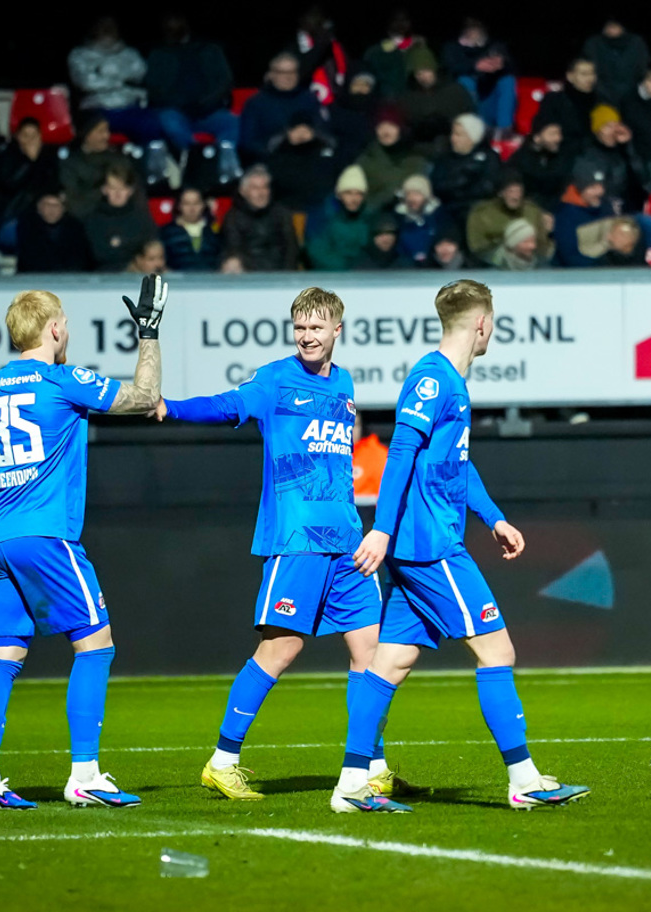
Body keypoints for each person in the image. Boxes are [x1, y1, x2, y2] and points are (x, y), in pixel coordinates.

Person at [153, 288, 422, 801]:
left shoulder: (344, 383)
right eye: (300, 327)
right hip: (297, 540)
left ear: (337, 330)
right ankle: (222, 761)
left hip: (349, 544)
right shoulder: (275, 379)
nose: (307, 336)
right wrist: (172, 407)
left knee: (372, 655)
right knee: (281, 648)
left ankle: (371, 768)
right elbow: (228, 405)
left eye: (316, 327)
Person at [334, 279, 590, 812]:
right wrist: (381, 528)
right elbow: (400, 452)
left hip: (420, 543)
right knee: (498, 651)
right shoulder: (434, 380)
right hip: (431, 546)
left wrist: (493, 518)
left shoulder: (450, 381)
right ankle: (524, 780)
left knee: (389, 664)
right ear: (482, 324)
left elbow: (456, 464)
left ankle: (352, 784)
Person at [0, 274, 168, 810]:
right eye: (66, 325)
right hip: (45, 532)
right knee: (96, 643)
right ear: (55, 329)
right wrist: (148, 333)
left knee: (2, 653)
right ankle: (85, 775)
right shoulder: (61, 380)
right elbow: (145, 397)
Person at [145, 14, 238, 154]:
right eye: (169, 24)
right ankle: (194, 158)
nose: (173, 27)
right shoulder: (158, 54)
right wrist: (179, 104)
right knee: (169, 121)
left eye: (176, 21)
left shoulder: (210, 49)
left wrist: (206, 103)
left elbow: (225, 81)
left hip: (210, 111)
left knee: (231, 122)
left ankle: (225, 161)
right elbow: (153, 88)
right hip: (175, 112)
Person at [67, 16, 162, 145]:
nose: (107, 29)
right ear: (94, 29)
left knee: (152, 123)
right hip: (97, 109)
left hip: (129, 107)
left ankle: (152, 156)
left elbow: (140, 73)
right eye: (103, 26)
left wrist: (103, 74)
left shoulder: (129, 53)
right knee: (93, 129)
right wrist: (121, 81)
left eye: (111, 26)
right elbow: (86, 82)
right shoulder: (80, 54)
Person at [60, 113, 143, 219]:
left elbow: (137, 197)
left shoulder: (119, 160)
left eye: (107, 130)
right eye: (100, 131)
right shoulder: (71, 164)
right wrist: (102, 190)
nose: (106, 136)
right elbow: (74, 205)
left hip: (121, 220)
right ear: (87, 135)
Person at [441, 18, 516, 135]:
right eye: (470, 26)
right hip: (468, 99)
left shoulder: (495, 45)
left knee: (507, 81)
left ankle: (504, 131)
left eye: (477, 26)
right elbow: (451, 67)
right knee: (465, 81)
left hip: (489, 97)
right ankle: (475, 129)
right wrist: (475, 66)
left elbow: (512, 68)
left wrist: (500, 64)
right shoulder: (452, 47)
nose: (473, 30)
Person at [0, 117, 62, 244]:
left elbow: (53, 186)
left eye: (34, 136)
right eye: (25, 135)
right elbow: (9, 185)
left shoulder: (49, 157)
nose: (30, 140)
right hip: (13, 216)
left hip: (43, 216)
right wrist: (30, 161)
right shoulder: (7, 155)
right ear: (18, 137)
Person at [396, 46, 476, 156]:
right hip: (419, 151)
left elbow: (470, 120)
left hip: (452, 149)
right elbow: (406, 127)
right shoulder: (408, 96)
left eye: (426, 70)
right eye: (418, 73)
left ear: (434, 69)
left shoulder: (455, 91)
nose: (422, 76)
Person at [239, 54, 318, 164]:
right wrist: (283, 140)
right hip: (271, 161)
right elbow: (247, 143)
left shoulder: (309, 99)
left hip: (309, 159)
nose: (288, 77)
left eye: (292, 72)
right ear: (271, 75)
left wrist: (312, 134)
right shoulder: (256, 103)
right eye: (282, 72)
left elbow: (326, 130)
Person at [220, 165, 299, 272]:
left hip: (280, 273)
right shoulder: (233, 217)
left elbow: (291, 249)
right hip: (249, 274)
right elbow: (234, 249)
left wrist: (286, 276)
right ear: (243, 191)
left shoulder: (281, 214)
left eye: (265, 187)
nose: (261, 193)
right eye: (255, 188)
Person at [466, 170, 552, 264]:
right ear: (501, 193)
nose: (515, 196)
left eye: (518, 191)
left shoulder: (532, 211)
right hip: (493, 261)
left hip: (531, 259)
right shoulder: (482, 213)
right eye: (511, 191)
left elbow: (542, 244)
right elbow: (477, 247)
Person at [430, 113, 500, 228]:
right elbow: (437, 186)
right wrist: (459, 183)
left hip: (480, 213)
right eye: (453, 133)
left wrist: (461, 188)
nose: (453, 138)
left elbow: (488, 188)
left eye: (459, 135)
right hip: (449, 214)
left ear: (472, 137)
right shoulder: (445, 159)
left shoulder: (489, 159)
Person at [266, 113, 342, 216]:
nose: (301, 135)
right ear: (288, 132)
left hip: (319, 208)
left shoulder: (325, 153)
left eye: (305, 130)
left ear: (313, 132)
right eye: (296, 130)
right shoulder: (278, 154)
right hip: (286, 208)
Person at [85, 166, 157, 272]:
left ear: (130, 190)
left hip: (137, 275)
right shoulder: (92, 220)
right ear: (104, 189)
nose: (118, 194)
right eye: (113, 188)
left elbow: (151, 250)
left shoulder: (142, 219)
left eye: (123, 188)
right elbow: (98, 254)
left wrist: (119, 244)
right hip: (101, 276)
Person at [354, 108, 429, 210]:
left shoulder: (416, 161)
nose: (386, 132)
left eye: (391, 126)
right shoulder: (365, 161)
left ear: (400, 129)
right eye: (381, 127)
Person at [306, 165, 371, 271]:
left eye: (359, 194)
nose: (354, 199)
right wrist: (348, 270)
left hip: (362, 274)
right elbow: (317, 251)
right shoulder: (322, 216)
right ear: (339, 194)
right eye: (348, 193)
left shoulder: (368, 217)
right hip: (328, 274)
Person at [552, 160, 614, 268]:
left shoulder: (605, 207)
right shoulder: (566, 214)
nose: (599, 192)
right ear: (580, 188)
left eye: (601, 186)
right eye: (593, 187)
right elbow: (570, 256)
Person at [17, 191, 94, 273]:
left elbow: (82, 259)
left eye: (56, 205)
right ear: (39, 208)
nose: (52, 209)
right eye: (47, 205)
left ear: (64, 209)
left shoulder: (76, 229)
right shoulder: (27, 227)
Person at [508, 114, 574, 209]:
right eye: (552, 134)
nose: (558, 138)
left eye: (559, 133)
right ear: (537, 137)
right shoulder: (520, 161)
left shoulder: (563, 157)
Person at [535, 59, 599, 154]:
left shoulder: (599, 102)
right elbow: (545, 127)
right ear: (570, 76)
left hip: (592, 156)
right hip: (560, 154)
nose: (590, 78)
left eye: (592, 73)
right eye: (584, 74)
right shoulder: (554, 100)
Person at [581, 17, 650, 106]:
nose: (612, 29)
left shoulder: (637, 43)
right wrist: (601, 92)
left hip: (632, 95)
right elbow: (588, 69)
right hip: (600, 96)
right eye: (609, 26)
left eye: (615, 26)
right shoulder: (593, 44)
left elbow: (642, 69)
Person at [362, 10, 427, 99]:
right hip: (387, 100)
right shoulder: (375, 51)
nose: (401, 24)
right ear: (389, 23)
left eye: (405, 20)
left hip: (416, 99)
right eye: (396, 20)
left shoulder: (419, 45)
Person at [393, 174, 449, 265]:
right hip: (405, 269)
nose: (412, 198)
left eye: (416, 194)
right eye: (408, 194)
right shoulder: (398, 218)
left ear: (426, 196)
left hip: (434, 268)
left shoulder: (439, 217)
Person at [160, 187, 220, 272]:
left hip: (210, 278)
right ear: (179, 206)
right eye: (187, 204)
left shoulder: (214, 232)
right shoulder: (167, 232)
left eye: (196, 203)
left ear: (203, 205)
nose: (192, 208)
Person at [351, 411, 388, 506]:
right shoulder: (324, 456)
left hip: (368, 512)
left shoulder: (378, 455)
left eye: (354, 425)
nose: (351, 430)